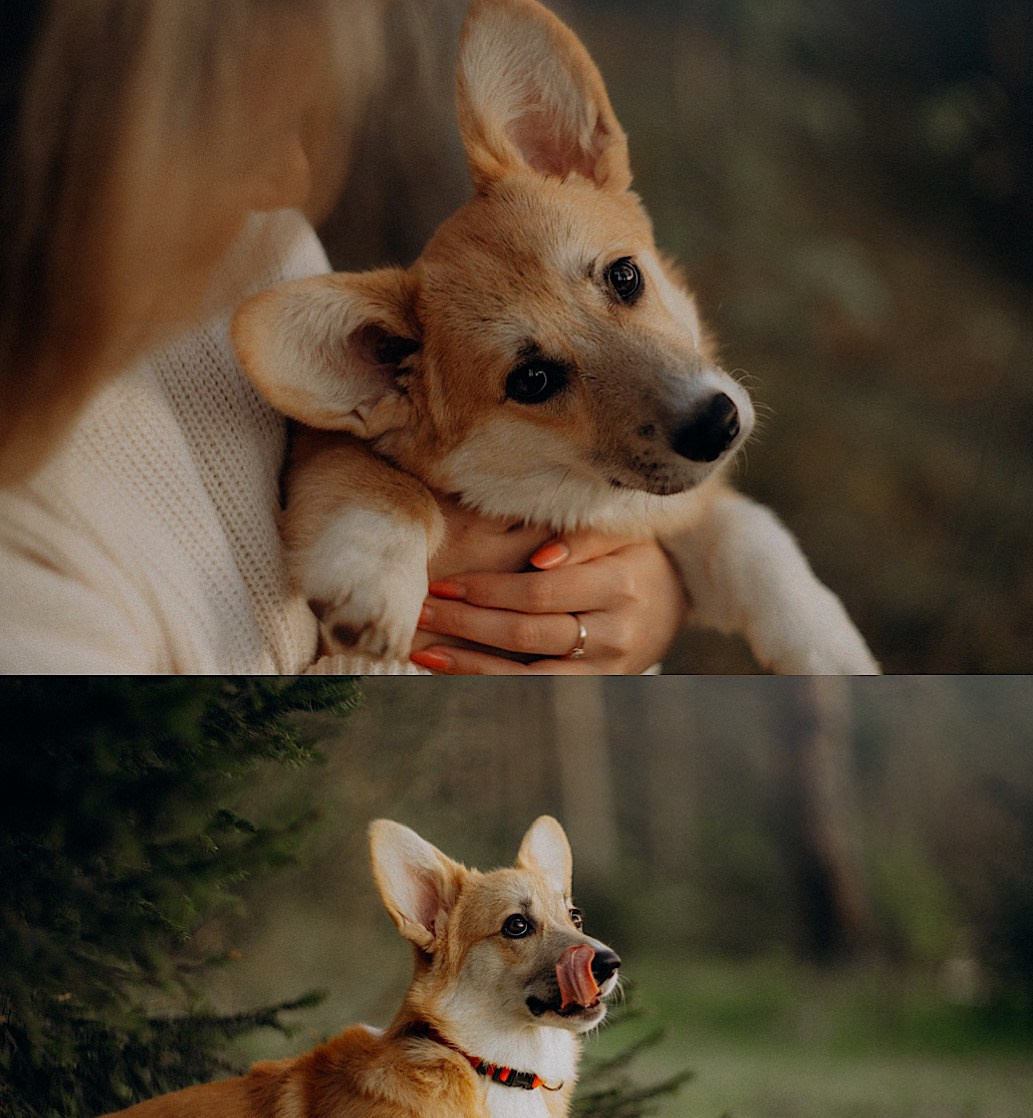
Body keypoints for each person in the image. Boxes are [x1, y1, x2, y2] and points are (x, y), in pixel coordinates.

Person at [0, 0, 687, 675]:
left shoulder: (250, 251)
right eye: (217, 131)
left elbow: (349, 451)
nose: (289, 179)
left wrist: (648, 595)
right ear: (50, 142)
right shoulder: (26, 576)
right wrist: (402, 623)